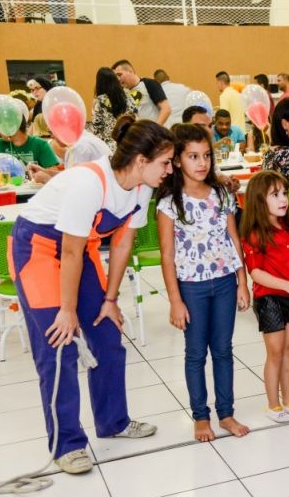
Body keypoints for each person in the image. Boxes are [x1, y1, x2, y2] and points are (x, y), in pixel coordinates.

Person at [9, 118, 169, 474]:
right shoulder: (89, 183)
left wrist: (110, 300)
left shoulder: (142, 187)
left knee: (108, 337)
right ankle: (67, 443)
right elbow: (67, 251)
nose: (169, 170)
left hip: (80, 251)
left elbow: (123, 241)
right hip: (37, 250)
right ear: (141, 160)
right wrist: (67, 310)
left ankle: (113, 421)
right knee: (59, 345)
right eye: (166, 162)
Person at [157, 123, 250, 442]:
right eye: (193, 156)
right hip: (192, 288)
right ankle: (200, 416)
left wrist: (242, 281)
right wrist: (175, 300)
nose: (202, 163)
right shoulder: (170, 202)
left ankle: (226, 412)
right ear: (178, 160)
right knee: (196, 353)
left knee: (223, 350)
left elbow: (233, 238)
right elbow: (167, 256)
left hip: (224, 282)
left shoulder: (222, 193)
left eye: (206, 156)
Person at [240, 171, 289, 422]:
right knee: (275, 353)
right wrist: (286, 285)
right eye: (275, 195)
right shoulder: (254, 233)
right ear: (259, 201)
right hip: (270, 299)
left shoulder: (285, 228)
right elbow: (257, 273)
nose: (283, 199)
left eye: (284, 193)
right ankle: (273, 405)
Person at [91, 67, 138, 152]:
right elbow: (135, 117)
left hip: (108, 147)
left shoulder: (100, 100)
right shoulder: (128, 97)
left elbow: (96, 127)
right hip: (129, 143)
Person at [112, 60, 171, 126]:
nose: (118, 79)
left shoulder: (149, 84)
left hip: (155, 133)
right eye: (116, 77)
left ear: (130, 71)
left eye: (119, 75)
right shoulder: (122, 93)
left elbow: (166, 109)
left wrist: (155, 129)